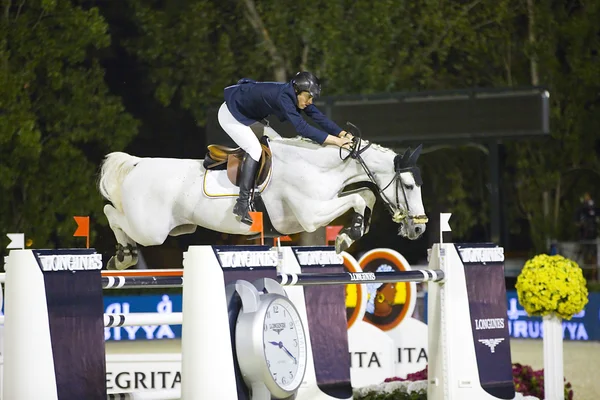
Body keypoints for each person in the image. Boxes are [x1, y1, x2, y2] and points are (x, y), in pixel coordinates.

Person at [218, 71, 353, 226]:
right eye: (308, 96)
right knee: (255, 149)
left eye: (312, 98)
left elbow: (317, 116)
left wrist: (343, 133)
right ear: (297, 91)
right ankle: (242, 204)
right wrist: (337, 141)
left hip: (248, 116)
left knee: (279, 145)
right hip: (230, 114)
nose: (310, 101)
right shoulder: (283, 97)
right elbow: (302, 128)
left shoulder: (294, 94)